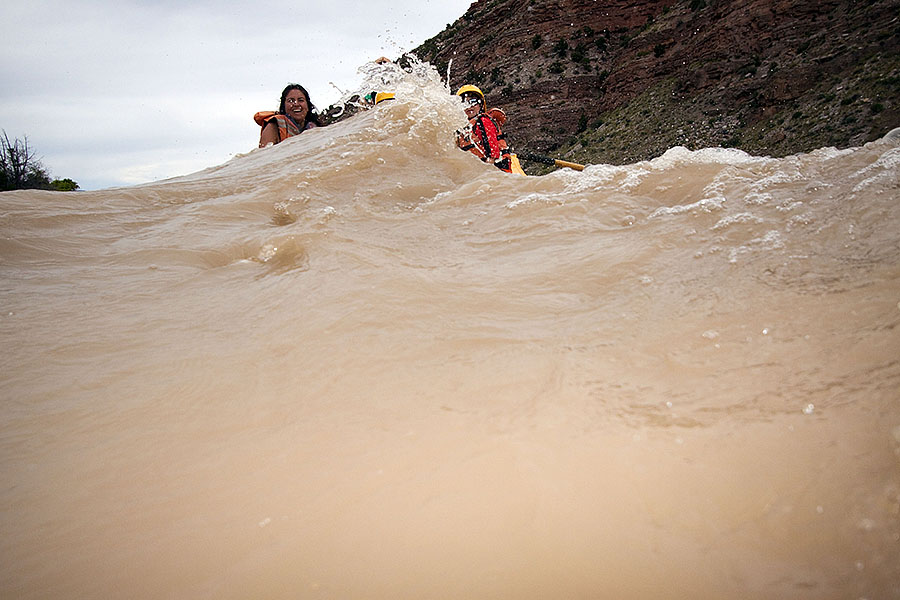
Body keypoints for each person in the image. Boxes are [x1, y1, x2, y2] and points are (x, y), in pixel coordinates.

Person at [455, 85, 522, 174]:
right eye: (464, 103)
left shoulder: (484, 121)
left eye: (473, 101)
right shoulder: (463, 127)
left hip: (499, 172)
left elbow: (492, 153)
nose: (469, 106)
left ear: (481, 105)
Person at [255, 84, 322, 147]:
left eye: (301, 100)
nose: (296, 104)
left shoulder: (316, 128)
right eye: (290, 101)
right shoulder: (274, 125)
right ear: (284, 106)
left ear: (307, 106)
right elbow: (264, 154)